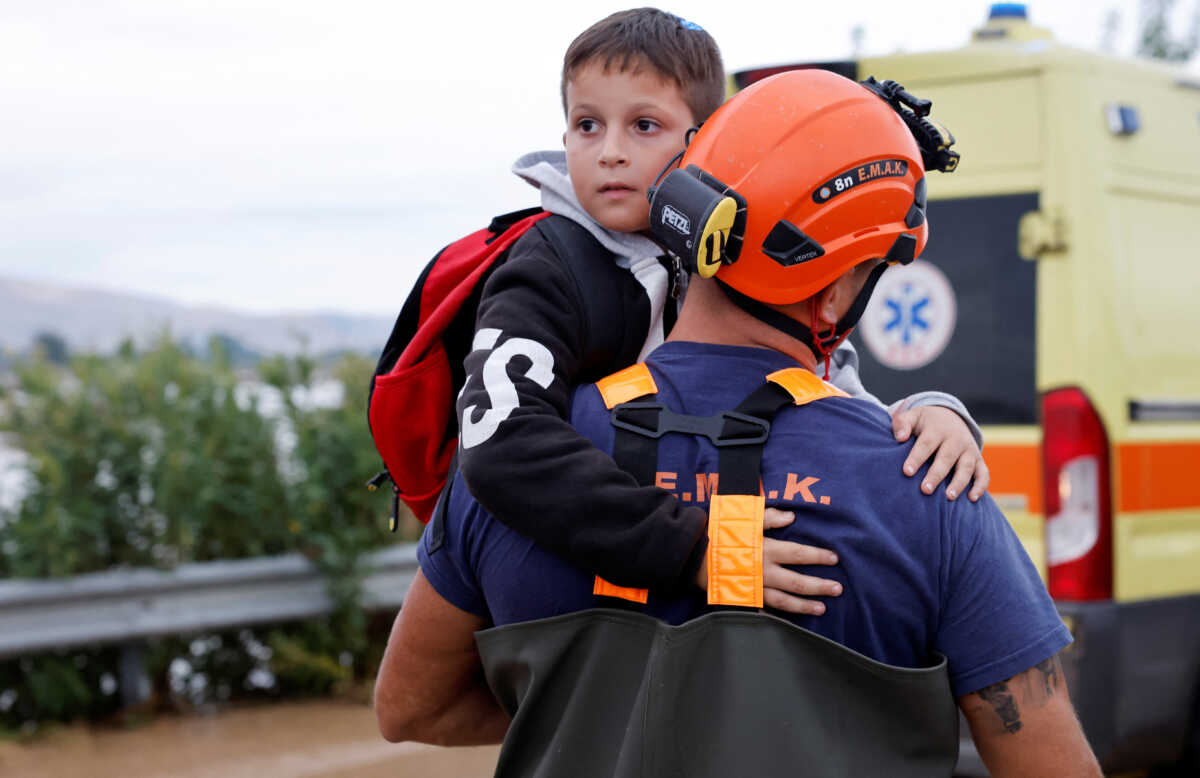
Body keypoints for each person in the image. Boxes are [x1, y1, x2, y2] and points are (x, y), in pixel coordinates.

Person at [376, 69, 1100, 777]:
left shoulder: (510, 464)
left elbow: (410, 708)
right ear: (837, 291)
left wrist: (586, 704)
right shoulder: (930, 489)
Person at [453, 7, 989, 610]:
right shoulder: (546, 266)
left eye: (644, 125)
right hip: (570, 585)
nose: (610, 152)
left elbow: (827, 388)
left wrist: (930, 415)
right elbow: (499, 441)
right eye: (586, 125)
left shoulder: (723, 251)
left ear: (705, 142)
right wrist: (695, 550)